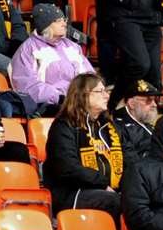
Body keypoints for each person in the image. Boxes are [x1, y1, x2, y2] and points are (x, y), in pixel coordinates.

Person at [44, 73, 124, 216]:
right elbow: (68, 168)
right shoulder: (64, 126)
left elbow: (129, 160)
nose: (106, 96)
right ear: (82, 95)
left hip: (108, 190)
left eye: (106, 91)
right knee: (117, 202)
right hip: (72, 193)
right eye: (100, 91)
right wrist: (104, 184)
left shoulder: (109, 127)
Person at [6, 3, 96, 113]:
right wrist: (61, 97)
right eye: (58, 21)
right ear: (46, 26)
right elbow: (28, 86)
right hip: (52, 106)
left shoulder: (72, 46)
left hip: (80, 101)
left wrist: (90, 92)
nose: (64, 24)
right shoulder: (28, 49)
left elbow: (89, 75)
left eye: (64, 20)